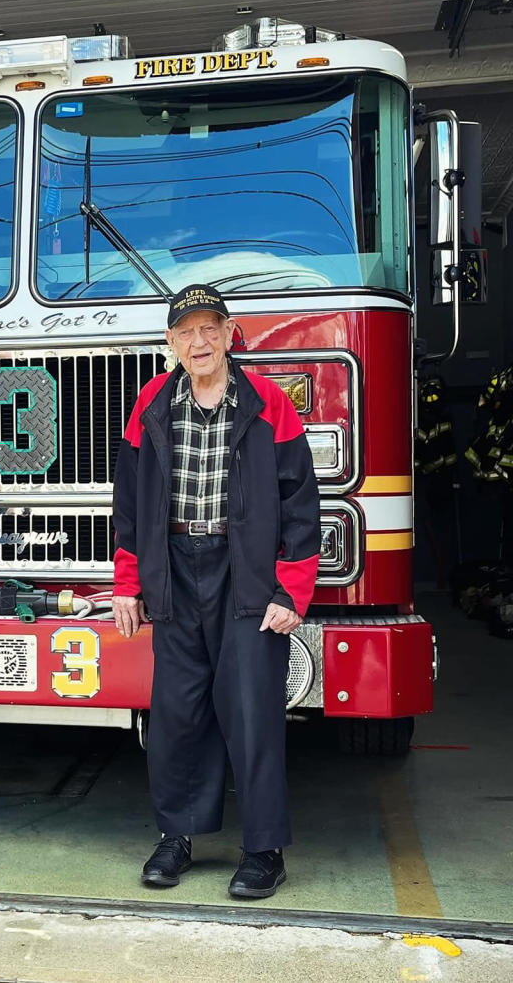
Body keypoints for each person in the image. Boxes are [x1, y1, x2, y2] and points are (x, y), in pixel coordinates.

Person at [111, 283, 320, 899]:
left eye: (210, 329)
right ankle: (176, 838)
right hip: (173, 569)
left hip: (245, 570)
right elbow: (129, 504)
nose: (198, 342)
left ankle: (263, 850)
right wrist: (130, 582)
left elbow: (301, 504)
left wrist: (291, 591)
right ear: (170, 343)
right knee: (177, 712)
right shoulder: (150, 403)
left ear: (230, 334)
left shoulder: (268, 404)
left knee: (252, 709)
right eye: (185, 333)